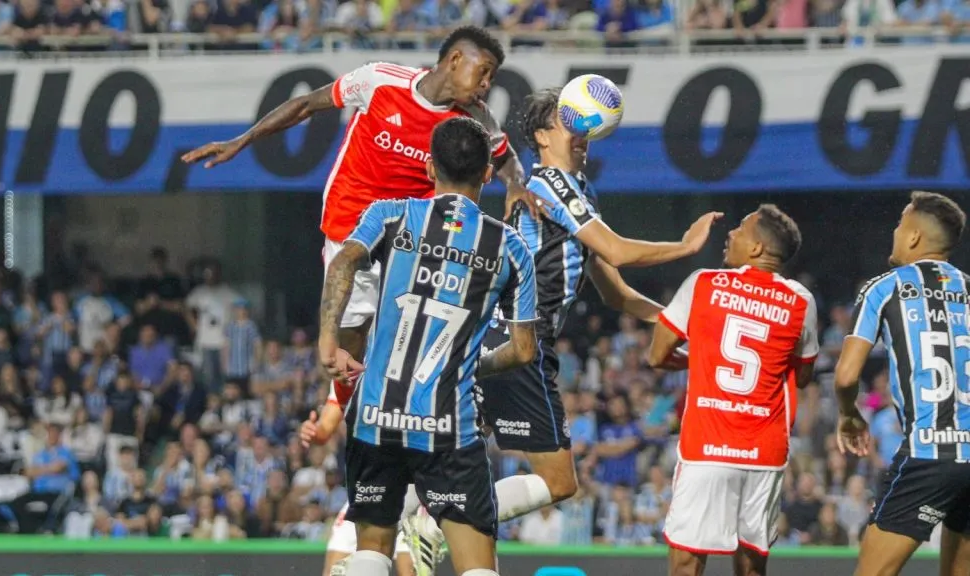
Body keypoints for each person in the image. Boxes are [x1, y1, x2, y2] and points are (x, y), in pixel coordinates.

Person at [419, 87, 721, 559]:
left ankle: (426, 526)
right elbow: (618, 250)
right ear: (541, 135)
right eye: (569, 124)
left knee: (486, 468)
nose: (582, 136)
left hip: (508, 339)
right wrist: (684, 248)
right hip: (516, 338)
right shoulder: (551, 185)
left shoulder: (579, 194)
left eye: (585, 128)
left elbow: (614, 291)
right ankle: (436, 524)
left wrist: (685, 330)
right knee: (558, 481)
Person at [181, 26, 538, 407]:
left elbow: (505, 157)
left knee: (419, 330)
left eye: (492, 77)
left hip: (411, 233)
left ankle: (419, 405)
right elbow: (306, 105)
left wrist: (516, 184)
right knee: (351, 333)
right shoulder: (379, 81)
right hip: (351, 224)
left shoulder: (474, 118)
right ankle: (344, 403)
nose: (486, 84)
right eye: (483, 71)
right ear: (454, 60)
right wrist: (243, 140)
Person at [318, 117, 539, 576]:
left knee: (371, 553)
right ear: (486, 175)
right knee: (477, 568)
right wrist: (470, 366)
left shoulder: (389, 215)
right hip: (449, 429)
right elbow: (522, 351)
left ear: (428, 168)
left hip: (376, 418)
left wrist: (327, 341)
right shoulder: (510, 247)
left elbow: (342, 263)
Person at [648, 205, 819, 576]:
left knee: (686, 563)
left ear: (756, 247)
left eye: (740, 229)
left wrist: (700, 360)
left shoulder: (704, 283)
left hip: (707, 447)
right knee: (751, 565)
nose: (731, 234)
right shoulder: (802, 301)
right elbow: (802, 376)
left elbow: (658, 354)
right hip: (765, 451)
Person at [834, 191, 970, 576]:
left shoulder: (885, 287)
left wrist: (848, 414)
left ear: (912, 237)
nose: (893, 232)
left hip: (929, 453)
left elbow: (845, 375)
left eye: (899, 224)